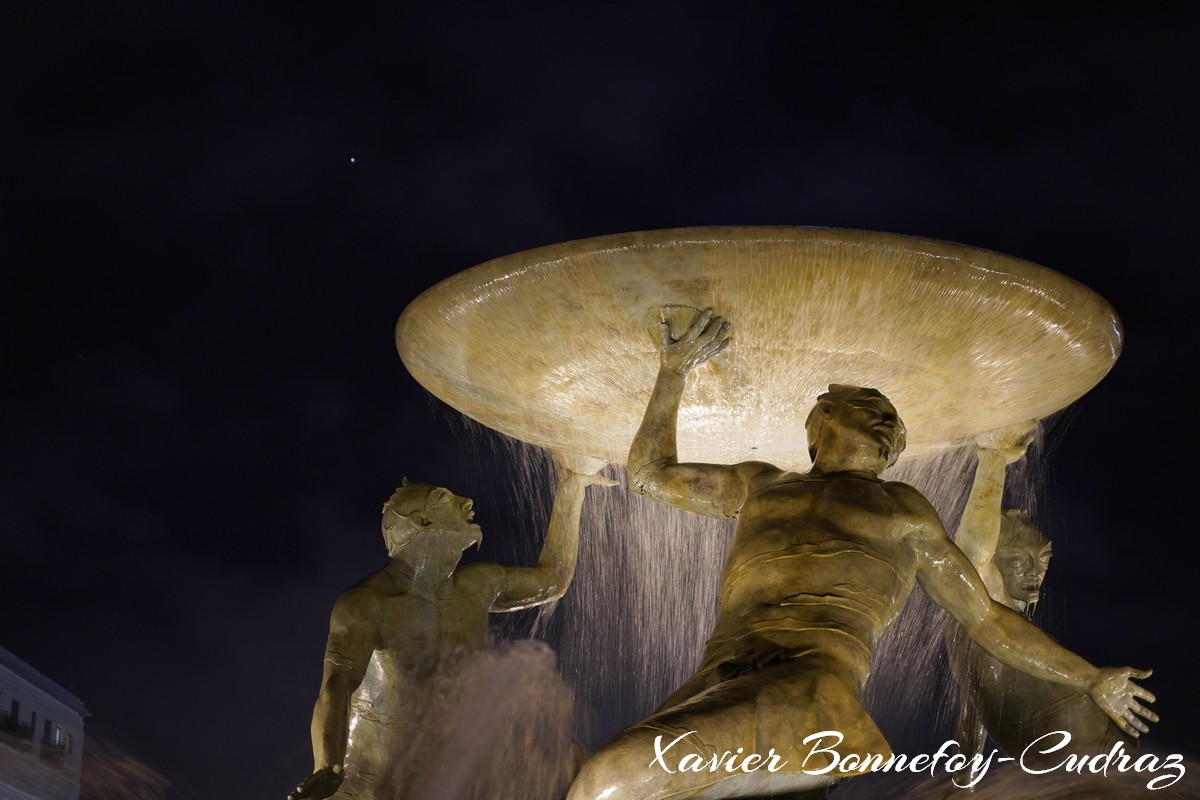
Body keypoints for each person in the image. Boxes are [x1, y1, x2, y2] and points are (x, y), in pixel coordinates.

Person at [565, 310, 1155, 800]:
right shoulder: (759, 484)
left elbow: (986, 621)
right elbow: (648, 476)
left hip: (807, 688)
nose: (890, 422)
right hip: (719, 682)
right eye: (871, 407)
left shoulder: (903, 510)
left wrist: (1092, 678)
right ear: (820, 422)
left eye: (894, 422)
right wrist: (672, 372)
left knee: (606, 783)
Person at [287, 460, 615, 800]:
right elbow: (337, 685)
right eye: (446, 501)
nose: (468, 504)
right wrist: (327, 767)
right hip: (359, 792)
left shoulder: (477, 587)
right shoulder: (368, 603)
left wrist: (572, 487)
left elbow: (553, 581)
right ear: (422, 522)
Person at [946, 428, 1129, 781]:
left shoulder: (979, 622)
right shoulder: (985, 604)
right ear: (994, 564)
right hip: (1075, 743)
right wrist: (994, 458)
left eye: (1043, 562)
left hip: (1085, 741)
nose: (1035, 574)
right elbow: (971, 554)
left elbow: (974, 701)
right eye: (1016, 560)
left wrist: (963, 779)